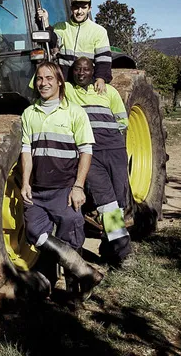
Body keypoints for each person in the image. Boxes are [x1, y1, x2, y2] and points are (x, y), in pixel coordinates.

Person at [21, 61, 103, 300]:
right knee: (34, 232)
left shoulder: (75, 112)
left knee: (71, 235)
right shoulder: (29, 113)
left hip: (65, 189)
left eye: (49, 78)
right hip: (37, 190)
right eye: (39, 78)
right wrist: (25, 183)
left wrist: (78, 187)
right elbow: (26, 152)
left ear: (59, 82)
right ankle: (85, 272)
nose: (43, 83)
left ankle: (74, 295)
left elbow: (86, 151)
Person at [65, 57, 131, 266]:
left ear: (94, 71)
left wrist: (107, 136)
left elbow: (122, 121)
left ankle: (109, 248)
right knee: (107, 203)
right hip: (90, 154)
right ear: (72, 72)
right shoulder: (68, 90)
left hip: (115, 150)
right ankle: (123, 253)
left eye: (86, 69)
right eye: (77, 69)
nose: (82, 73)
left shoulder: (109, 91)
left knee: (119, 202)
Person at [36, 0, 112, 93]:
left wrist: (100, 78)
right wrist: (45, 23)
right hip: (65, 81)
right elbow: (52, 42)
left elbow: (103, 59)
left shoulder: (99, 31)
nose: (79, 11)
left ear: (89, 9)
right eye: (76, 7)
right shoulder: (60, 27)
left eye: (83, 7)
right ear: (71, 8)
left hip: (87, 83)